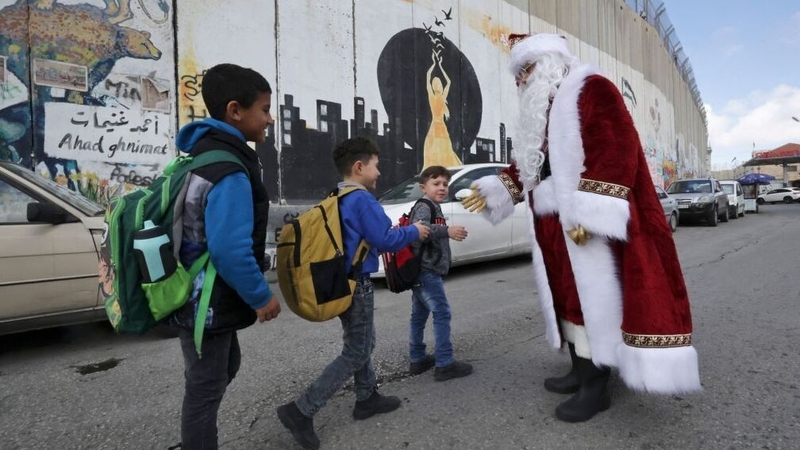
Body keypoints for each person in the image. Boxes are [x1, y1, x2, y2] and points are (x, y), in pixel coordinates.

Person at [462, 34, 701, 423]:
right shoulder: (543, 109)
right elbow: (531, 165)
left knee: (591, 298)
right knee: (565, 298)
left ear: (549, 62)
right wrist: (498, 190)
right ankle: (578, 367)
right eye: (518, 74)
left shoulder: (591, 87)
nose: (521, 80)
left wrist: (589, 217)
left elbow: (615, 148)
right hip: (550, 223)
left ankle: (596, 384)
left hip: (581, 222)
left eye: (526, 69)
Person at [277, 137, 431, 450]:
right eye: (376, 166)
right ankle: (302, 409)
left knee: (358, 342)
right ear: (359, 167)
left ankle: (367, 397)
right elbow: (385, 238)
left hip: (339, 279)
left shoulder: (338, 195)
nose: (379, 173)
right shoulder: (362, 200)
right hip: (357, 283)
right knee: (359, 349)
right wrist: (416, 230)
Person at [167, 63, 281, 449]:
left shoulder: (201, 154)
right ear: (235, 110)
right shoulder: (229, 168)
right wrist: (261, 297)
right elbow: (229, 249)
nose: (269, 118)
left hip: (196, 294)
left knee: (220, 371)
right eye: (264, 109)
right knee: (205, 387)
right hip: (207, 300)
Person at [407, 165, 472, 381]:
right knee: (441, 312)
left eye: (445, 184)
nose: (442, 188)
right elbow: (422, 229)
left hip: (422, 271)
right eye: (436, 184)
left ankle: (417, 359)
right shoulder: (425, 206)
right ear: (423, 187)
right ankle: (445, 363)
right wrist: (448, 231)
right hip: (426, 271)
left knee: (419, 315)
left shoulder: (433, 205)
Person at [424, 52, 461, 168]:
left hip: (435, 127)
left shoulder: (433, 97)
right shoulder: (441, 97)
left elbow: (427, 76)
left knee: (435, 154)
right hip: (440, 128)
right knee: (444, 154)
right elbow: (448, 81)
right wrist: (439, 65)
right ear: (439, 85)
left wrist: (434, 64)